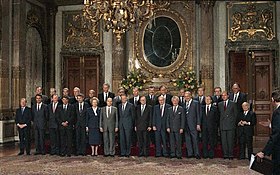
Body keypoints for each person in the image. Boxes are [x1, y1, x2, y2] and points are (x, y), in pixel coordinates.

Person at [256, 90, 280, 175]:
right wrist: (271, 125)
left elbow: (276, 135)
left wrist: (264, 152)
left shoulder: (277, 112)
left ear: (273, 99)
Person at [218, 91, 238, 160]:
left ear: (228, 96)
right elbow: (219, 115)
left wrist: (233, 123)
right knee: (224, 141)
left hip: (230, 125)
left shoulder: (233, 104)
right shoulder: (220, 104)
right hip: (222, 125)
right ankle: (225, 154)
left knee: (230, 140)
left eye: (225, 95)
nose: (223, 96)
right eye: (222, 95)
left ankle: (230, 154)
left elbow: (235, 115)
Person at [183, 91, 201, 159]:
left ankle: (196, 153)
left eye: (187, 96)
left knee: (195, 139)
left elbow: (198, 114)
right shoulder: (183, 103)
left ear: (190, 96)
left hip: (193, 124)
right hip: (186, 124)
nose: (186, 97)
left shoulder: (196, 103)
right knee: (187, 140)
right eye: (185, 96)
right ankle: (190, 153)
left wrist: (198, 124)